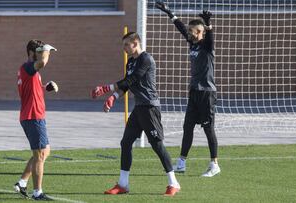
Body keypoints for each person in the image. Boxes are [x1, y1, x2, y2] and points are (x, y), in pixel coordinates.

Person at [91, 32, 180, 196]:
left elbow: (134, 79)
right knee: (125, 143)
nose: (124, 48)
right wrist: (113, 97)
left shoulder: (146, 59)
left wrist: (106, 88)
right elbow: (127, 85)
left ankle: (173, 183)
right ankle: (123, 184)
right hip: (139, 109)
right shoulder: (130, 62)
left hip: (150, 108)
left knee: (157, 145)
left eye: (126, 45)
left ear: (135, 43)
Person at [156, 1, 221, 177]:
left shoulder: (207, 45)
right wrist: (169, 12)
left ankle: (214, 164)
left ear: (200, 32)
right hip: (194, 91)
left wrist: (208, 24)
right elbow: (181, 28)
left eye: (193, 32)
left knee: (208, 129)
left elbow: (211, 37)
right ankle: (181, 163)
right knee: (188, 127)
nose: (189, 34)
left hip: (207, 93)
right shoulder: (193, 43)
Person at [14, 39, 58, 200]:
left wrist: (47, 87)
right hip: (33, 116)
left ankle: (22, 182)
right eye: (39, 52)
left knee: (44, 152)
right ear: (32, 53)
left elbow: (34, 88)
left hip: (35, 116)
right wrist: (46, 51)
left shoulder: (29, 71)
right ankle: (37, 192)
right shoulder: (28, 67)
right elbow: (43, 62)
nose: (42, 55)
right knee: (39, 155)